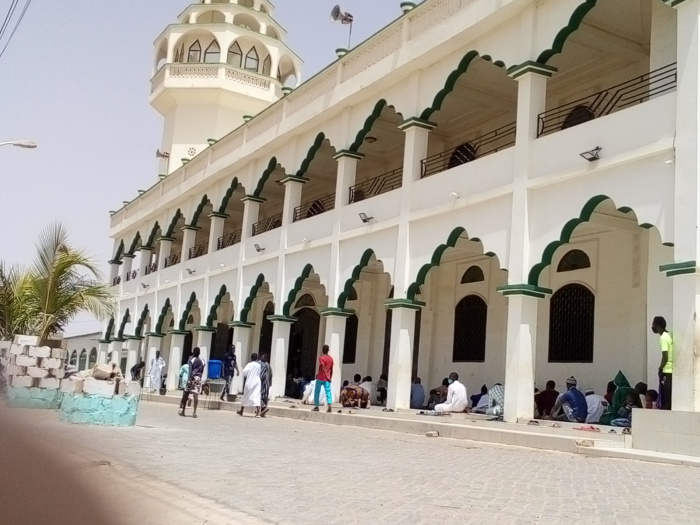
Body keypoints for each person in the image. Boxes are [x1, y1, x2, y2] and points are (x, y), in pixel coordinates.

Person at [652, 316, 673, 410]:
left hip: (667, 370)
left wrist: (660, 368)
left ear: (657, 325)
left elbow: (665, 356)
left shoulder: (663, 338)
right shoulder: (670, 334)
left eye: (653, 324)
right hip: (672, 370)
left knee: (665, 397)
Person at [178, 347, 204, 418]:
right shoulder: (202, 360)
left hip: (191, 378)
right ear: (199, 353)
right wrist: (200, 377)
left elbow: (190, 369)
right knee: (196, 395)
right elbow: (202, 370)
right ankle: (194, 412)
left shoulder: (191, 360)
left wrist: (189, 378)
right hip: (198, 378)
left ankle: (183, 411)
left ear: (193, 352)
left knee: (186, 393)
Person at [312, 345, 333, 413]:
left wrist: (324, 374)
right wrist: (329, 377)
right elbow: (331, 369)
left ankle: (316, 406)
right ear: (328, 350)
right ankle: (329, 404)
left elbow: (322, 366)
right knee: (328, 391)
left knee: (317, 391)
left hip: (320, 377)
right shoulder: (331, 359)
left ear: (323, 350)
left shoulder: (321, 358)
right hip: (327, 378)